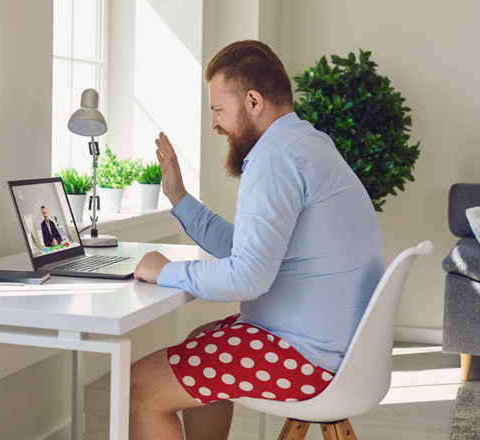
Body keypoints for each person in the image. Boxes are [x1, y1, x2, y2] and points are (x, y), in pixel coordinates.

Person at [130, 40, 384, 440]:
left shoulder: (274, 157)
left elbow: (248, 277)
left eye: (218, 110)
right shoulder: (310, 144)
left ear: (252, 101)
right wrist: (178, 197)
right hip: (344, 350)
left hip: (306, 357)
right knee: (200, 338)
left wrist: (166, 271)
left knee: (140, 387)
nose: (215, 124)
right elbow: (247, 250)